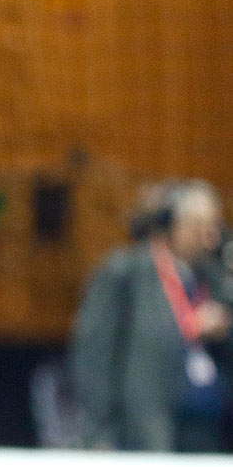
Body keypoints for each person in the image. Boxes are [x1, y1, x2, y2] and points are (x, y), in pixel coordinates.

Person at [72, 179, 231, 452]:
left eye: (213, 226)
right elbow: (94, 355)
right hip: (147, 434)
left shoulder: (214, 279)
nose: (209, 237)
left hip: (208, 435)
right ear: (169, 225)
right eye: (197, 225)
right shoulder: (125, 273)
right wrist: (99, 433)